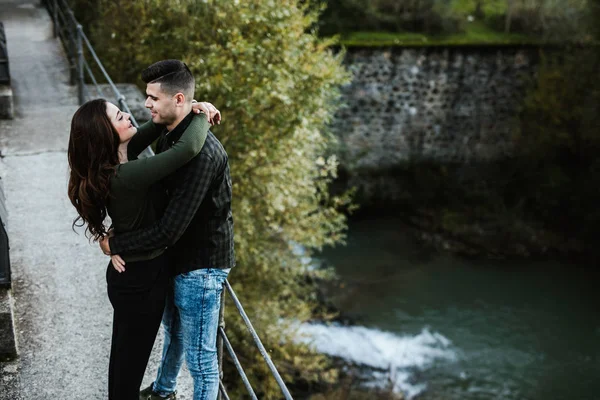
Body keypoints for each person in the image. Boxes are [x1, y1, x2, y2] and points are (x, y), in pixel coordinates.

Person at [100, 60, 236, 400]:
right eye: (146, 97)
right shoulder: (172, 135)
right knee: (174, 332)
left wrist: (117, 242)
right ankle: (163, 391)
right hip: (178, 257)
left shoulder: (199, 154)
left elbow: (168, 230)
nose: (145, 105)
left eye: (153, 99)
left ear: (177, 99)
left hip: (201, 265)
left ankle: (165, 390)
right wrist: (198, 110)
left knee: (202, 360)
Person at [67, 96, 218, 400]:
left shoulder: (119, 158)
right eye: (119, 117)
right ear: (106, 135)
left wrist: (190, 105)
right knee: (129, 367)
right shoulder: (125, 175)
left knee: (123, 360)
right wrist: (203, 113)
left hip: (131, 278)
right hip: (140, 282)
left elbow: (153, 125)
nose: (128, 117)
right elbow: (187, 149)